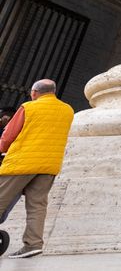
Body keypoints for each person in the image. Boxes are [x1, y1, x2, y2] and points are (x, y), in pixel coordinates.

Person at [0, 80, 75, 259]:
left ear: (34, 92)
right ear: (53, 92)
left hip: (22, 162)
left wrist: (2, 148)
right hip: (49, 165)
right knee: (37, 205)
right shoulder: (67, 110)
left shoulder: (29, 107)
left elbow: (9, 134)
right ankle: (33, 244)